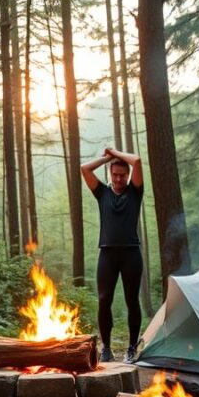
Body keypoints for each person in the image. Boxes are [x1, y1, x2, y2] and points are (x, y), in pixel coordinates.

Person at [80, 148, 145, 364]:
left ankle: (131, 348)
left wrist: (116, 152)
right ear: (110, 174)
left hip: (131, 254)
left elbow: (136, 160)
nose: (119, 179)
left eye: (122, 175)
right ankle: (106, 348)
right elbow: (84, 168)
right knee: (103, 300)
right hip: (107, 253)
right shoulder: (102, 192)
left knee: (131, 300)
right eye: (115, 175)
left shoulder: (135, 191)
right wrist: (107, 158)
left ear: (127, 176)